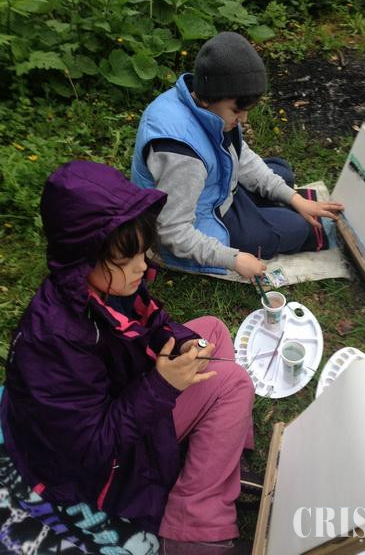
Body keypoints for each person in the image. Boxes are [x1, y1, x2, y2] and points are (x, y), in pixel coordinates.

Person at [0, 160, 255, 555]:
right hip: (96, 469)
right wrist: (162, 386)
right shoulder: (56, 341)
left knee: (212, 331)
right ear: (83, 259)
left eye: (141, 251)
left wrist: (182, 342)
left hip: (121, 399)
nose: (143, 265)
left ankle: (219, 451)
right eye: (126, 259)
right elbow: (90, 450)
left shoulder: (102, 288)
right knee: (233, 384)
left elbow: (151, 323)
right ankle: (192, 530)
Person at [131, 31, 344, 280]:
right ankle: (269, 217)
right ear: (209, 97)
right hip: (200, 221)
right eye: (237, 110)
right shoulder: (183, 157)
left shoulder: (201, 104)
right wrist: (233, 259)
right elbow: (173, 233)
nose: (243, 118)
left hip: (210, 193)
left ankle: (273, 209)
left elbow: (241, 157)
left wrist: (294, 198)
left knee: (281, 171)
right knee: (299, 229)